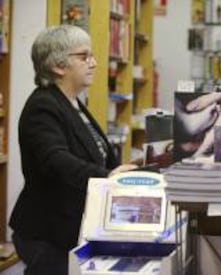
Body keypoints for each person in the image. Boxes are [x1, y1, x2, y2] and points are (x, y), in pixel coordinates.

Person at [9, 25, 137, 275]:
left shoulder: (72, 103)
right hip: (47, 233)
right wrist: (107, 176)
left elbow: (96, 154)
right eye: (84, 56)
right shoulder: (43, 106)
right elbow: (56, 161)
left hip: (71, 229)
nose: (94, 63)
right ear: (58, 66)